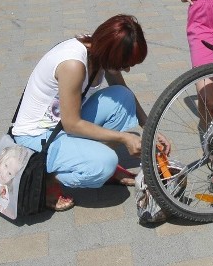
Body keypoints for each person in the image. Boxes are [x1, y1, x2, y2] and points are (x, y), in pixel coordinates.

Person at [11, 14, 167, 211]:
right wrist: (123, 138)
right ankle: (46, 178)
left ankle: (86, 156)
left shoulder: (100, 48)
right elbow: (72, 124)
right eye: (123, 64)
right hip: (36, 137)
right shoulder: (73, 65)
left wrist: (150, 127)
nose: (126, 69)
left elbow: (122, 87)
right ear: (111, 53)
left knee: (123, 97)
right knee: (105, 163)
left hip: (61, 123)